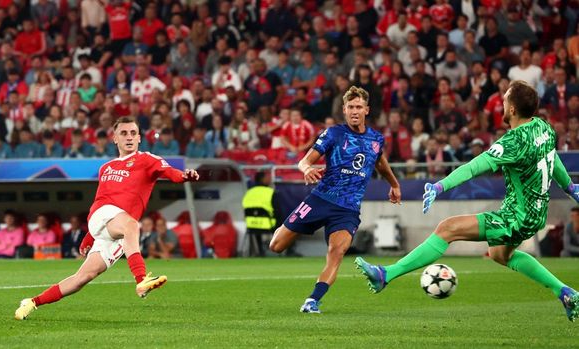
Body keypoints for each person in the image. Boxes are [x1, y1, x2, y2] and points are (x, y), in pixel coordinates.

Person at [355, 80, 579, 322]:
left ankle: (385, 275)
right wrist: (569, 186)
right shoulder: (543, 128)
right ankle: (564, 292)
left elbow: (474, 167)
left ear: (512, 109)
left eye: (505, 100)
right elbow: (552, 157)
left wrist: (440, 185)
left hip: (517, 217)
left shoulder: (512, 142)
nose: (502, 103)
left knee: (447, 228)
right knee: (499, 255)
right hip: (536, 214)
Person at [14, 117, 200, 320]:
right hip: (105, 216)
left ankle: (32, 302)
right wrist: (89, 234)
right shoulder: (106, 168)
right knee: (131, 224)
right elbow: (100, 200)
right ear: (115, 139)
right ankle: (141, 279)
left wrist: (184, 176)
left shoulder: (147, 159)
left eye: (132, 133)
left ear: (139, 138)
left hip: (116, 230)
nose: (129, 137)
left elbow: (170, 172)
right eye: (124, 133)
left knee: (82, 278)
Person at [269, 86, 401, 313]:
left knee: (336, 252)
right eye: (350, 107)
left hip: (347, 210)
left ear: (366, 110)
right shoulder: (333, 134)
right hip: (320, 199)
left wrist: (394, 184)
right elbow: (304, 160)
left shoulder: (376, 140)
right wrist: (307, 168)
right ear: (344, 110)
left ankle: (313, 301)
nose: (354, 111)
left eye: (358, 107)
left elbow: (380, 163)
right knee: (276, 245)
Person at [242, 171, 280, 257]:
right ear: (262, 179)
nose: (270, 179)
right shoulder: (270, 192)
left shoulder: (249, 192)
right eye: (267, 177)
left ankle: (259, 251)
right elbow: (277, 211)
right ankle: (285, 250)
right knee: (289, 224)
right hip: (268, 225)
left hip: (251, 225)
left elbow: (245, 208)